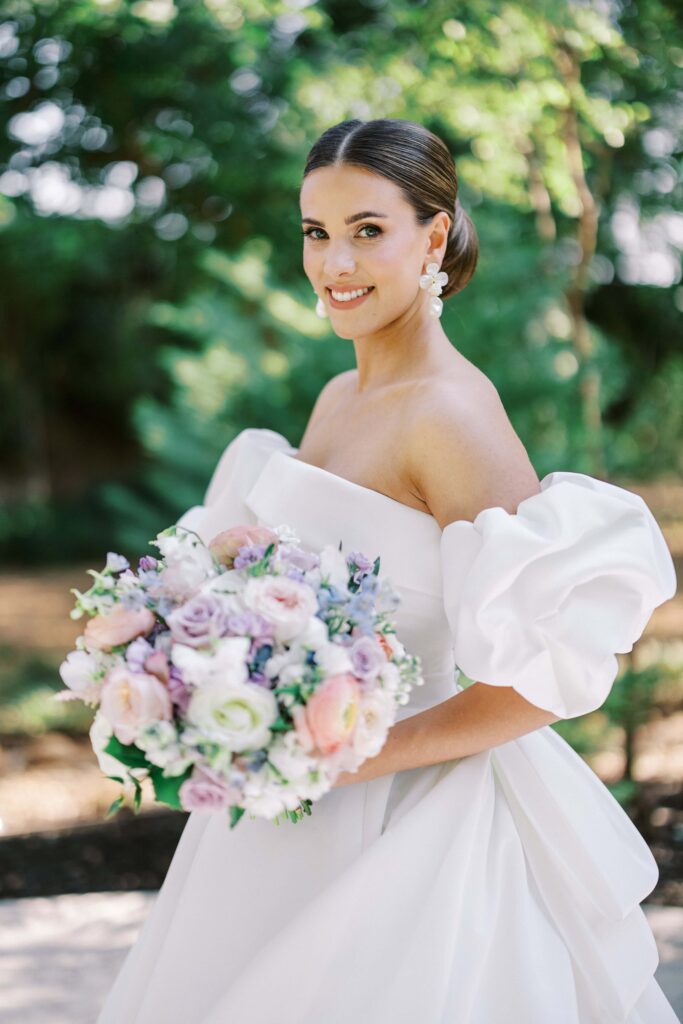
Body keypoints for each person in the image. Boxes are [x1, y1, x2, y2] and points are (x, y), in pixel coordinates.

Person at [96, 118, 679, 1023]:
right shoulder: (341, 395)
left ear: (433, 237)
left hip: (410, 825)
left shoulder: (449, 413)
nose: (335, 263)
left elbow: (540, 681)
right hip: (281, 816)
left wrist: (349, 758)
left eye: (368, 230)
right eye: (316, 232)